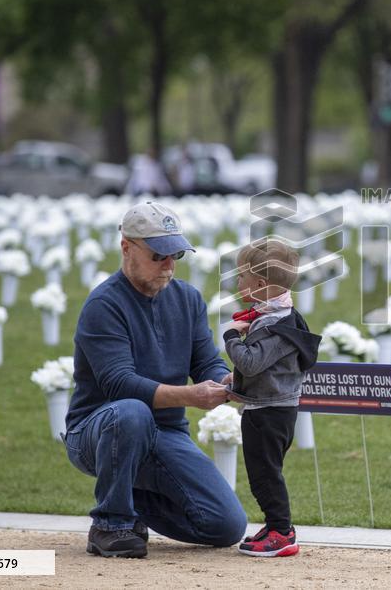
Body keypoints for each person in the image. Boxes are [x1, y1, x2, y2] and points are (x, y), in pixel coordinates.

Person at [64, 200, 246, 558]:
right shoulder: (104, 305)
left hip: (166, 433)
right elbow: (119, 384)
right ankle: (110, 525)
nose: (169, 265)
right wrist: (191, 396)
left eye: (175, 254)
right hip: (98, 431)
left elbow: (206, 362)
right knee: (132, 411)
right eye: (158, 255)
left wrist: (232, 382)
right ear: (126, 247)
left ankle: (129, 504)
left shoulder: (189, 299)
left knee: (226, 525)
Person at [222, 238, 321, 557]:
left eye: (241, 277)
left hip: (269, 413)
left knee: (264, 475)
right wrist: (234, 381)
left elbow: (251, 361)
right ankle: (275, 523)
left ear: (260, 284)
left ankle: (281, 532)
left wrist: (231, 337)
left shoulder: (277, 325)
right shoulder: (277, 316)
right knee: (263, 473)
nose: (237, 282)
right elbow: (263, 369)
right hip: (271, 407)